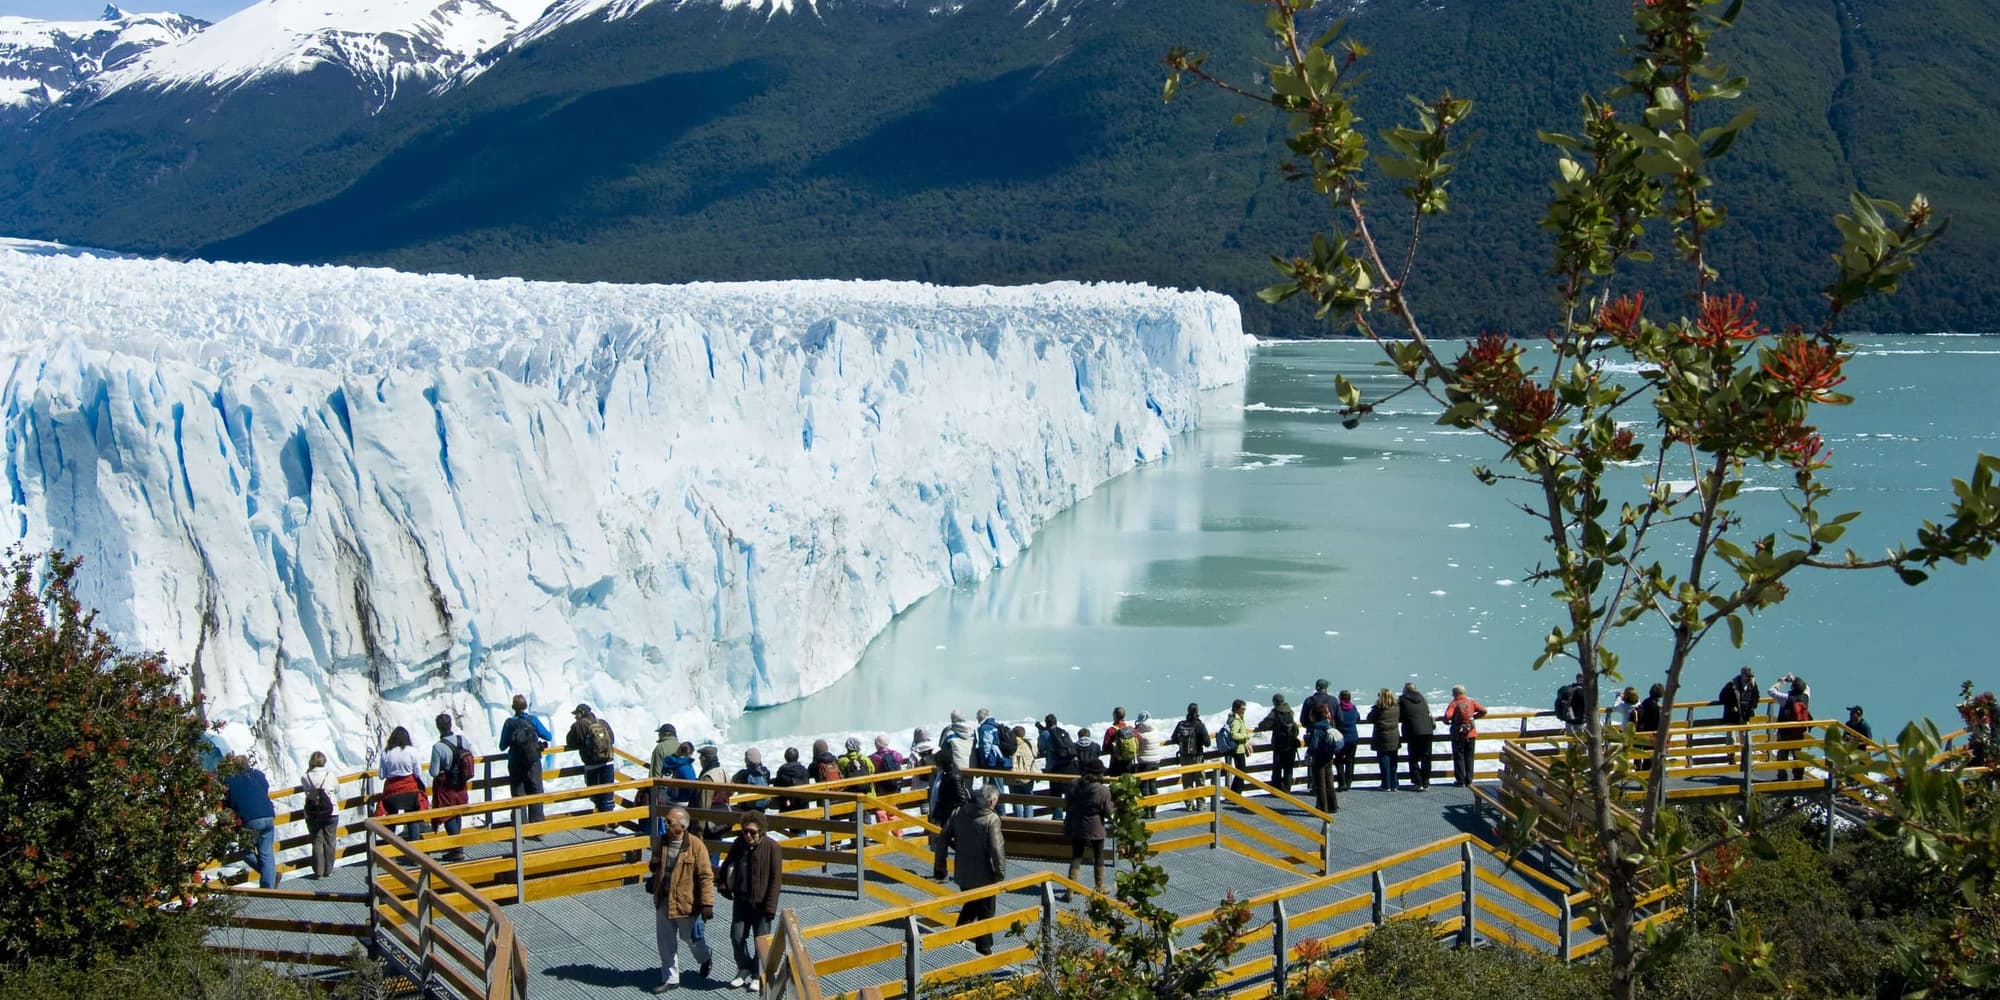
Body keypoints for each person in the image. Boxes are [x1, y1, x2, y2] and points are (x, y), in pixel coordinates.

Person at [648, 806, 714, 991]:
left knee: (691, 940)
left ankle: (705, 957)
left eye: (670, 822)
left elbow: (705, 876)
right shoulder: (663, 842)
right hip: (663, 900)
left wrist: (707, 903)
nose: (666, 824)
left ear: (682, 826)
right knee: (665, 942)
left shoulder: (696, 846)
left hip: (686, 904)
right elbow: (655, 865)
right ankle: (671, 978)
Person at [936, 784, 1007, 955]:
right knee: (986, 911)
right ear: (990, 802)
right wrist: (1000, 872)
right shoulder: (991, 819)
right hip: (984, 872)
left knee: (972, 904)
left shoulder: (958, 813)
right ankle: (983, 948)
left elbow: (943, 838)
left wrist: (940, 865)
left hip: (963, 869)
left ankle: (962, 937)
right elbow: (997, 849)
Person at [717, 811, 783, 991]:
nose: (748, 835)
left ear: (761, 831)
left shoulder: (772, 847)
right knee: (736, 937)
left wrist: (770, 907)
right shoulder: (739, 844)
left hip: (762, 904)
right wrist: (723, 885)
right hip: (741, 900)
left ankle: (756, 974)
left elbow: (776, 880)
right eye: (745, 831)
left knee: (761, 942)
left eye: (752, 832)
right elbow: (726, 865)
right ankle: (744, 967)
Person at [223, 754, 279, 888]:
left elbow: (229, 801)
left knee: (245, 851)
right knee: (266, 853)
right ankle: (268, 886)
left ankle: (269, 877)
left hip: (250, 819)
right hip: (268, 814)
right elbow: (265, 788)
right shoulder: (258, 775)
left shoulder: (231, 780)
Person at [499, 695, 552, 829]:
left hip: (516, 764)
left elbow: (502, 746)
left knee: (518, 795)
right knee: (536, 792)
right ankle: (538, 827)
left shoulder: (509, 723)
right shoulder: (532, 720)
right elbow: (548, 736)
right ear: (526, 706)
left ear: (513, 707)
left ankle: (520, 828)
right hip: (533, 762)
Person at [1063, 758, 1114, 896]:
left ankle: (1070, 889)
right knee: (1098, 855)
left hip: (1076, 825)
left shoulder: (1074, 785)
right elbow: (1109, 812)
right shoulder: (1103, 791)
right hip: (1095, 827)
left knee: (1076, 856)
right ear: (1099, 774)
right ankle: (1099, 886)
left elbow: (1067, 804)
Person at [428, 713, 473, 860]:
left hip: (446, 786)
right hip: (461, 783)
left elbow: (434, 772)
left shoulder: (438, 747)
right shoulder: (463, 740)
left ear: (438, 728)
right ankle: (456, 847)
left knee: (448, 815)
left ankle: (457, 849)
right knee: (457, 812)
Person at [378, 726, 428, 841]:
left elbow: (381, 775)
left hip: (391, 793)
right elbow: (417, 773)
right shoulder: (412, 751)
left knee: (391, 820)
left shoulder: (386, 753)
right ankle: (414, 850)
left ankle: (389, 849)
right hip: (410, 791)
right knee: (412, 820)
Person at [567, 704, 617, 813]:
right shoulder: (602, 722)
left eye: (576, 714)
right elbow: (612, 739)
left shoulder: (579, 725)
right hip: (607, 763)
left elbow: (570, 742)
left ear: (581, 713)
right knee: (607, 794)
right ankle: (609, 820)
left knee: (595, 795)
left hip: (592, 765)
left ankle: (601, 820)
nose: (575, 717)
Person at [299, 751, 339, 879]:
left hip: (312, 813)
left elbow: (306, 791)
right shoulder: (330, 775)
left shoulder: (305, 777)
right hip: (330, 812)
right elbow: (337, 789)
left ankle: (318, 871)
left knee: (317, 841)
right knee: (330, 840)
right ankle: (329, 869)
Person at [1442, 686, 1487, 787]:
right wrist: (1473, 717)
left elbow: (1448, 716)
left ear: (1454, 694)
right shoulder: (1471, 702)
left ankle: (1460, 780)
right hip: (1471, 733)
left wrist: (1446, 721)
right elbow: (1483, 711)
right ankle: (1469, 780)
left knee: (1459, 757)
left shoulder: (1454, 703)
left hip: (1458, 734)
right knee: (1469, 757)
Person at [1256, 694, 1302, 793]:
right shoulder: (1290, 711)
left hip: (1279, 744)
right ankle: (1287, 788)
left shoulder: (1275, 712)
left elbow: (1265, 724)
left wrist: (1260, 727)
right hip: (1291, 744)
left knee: (1277, 766)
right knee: (1288, 768)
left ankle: (1276, 789)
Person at [1170, 703, 1210, 809]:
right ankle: (1200, 805)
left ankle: (1189, 805)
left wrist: (1182, 744)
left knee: (1187, 781)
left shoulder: (1181, 724)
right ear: (1197, 711)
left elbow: (1173, 738)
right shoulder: (1199, 725)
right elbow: (1207, 743)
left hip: (1184, 757)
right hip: (1197, 757)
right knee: (1200, 781)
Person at [1399, 684, 1436, 791]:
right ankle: (1426, 782)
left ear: (1405, 690)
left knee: (1413, 757)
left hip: (1413, 731)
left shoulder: (1403, 699)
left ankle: (1417, 781)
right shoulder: (1423, 698)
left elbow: (1400, 715)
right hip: (1428, 731)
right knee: (1426, 757)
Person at [1304, 702, 1339, 813]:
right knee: (1329, 781)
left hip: (1319, 758)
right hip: (1328, 756)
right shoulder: (1328, 725)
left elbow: (1314, 745)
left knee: (1320, 784)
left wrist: (1309, 748)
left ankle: (1322, 808)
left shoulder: (1317, 728)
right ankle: (1333, 805)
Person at [1301, 680, 1335, 792]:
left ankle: (1314, 786)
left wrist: (1311, 726)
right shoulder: (1333, 700)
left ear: (1316, 688)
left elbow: (1303, 720)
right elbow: (1340, 718)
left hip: (1313, 734)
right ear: (1326, 688)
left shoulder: (1309, 701)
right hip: (1329, 734)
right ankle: (1329, 790)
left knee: (1314, 761)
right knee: (1328, 763)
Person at [1777, 678, 1813, 782]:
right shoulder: (1805, 697)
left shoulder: (1786, 698)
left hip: (1785, 732)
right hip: (1799, 732)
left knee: (1782, 755)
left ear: (1792, 687)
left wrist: (1780, 682)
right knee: (1798, 755)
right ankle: (1798, 777)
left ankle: (1782, 777)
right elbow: (1807, 687)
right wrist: (1794, 680)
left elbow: (1771, 691)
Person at [1366, 689, 1402, 791]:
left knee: (1384, 760)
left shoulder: (1378, 708)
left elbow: (1370, 718)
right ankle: (1394, 784)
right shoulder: (1397, 707)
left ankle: (1386, 784)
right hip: (1394, 736)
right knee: (1393, 761)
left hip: (1381, 737)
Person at [1134, 711, 1167, 815]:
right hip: (1155, 762)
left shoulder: (1139, 733)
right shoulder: (1155, 730)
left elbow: (1136, 742)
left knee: (1144, 786)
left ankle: (1147, 810)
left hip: (1144, 762)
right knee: (1153, 785)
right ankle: (1153, 810)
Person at [1220, 700, 1251, 791]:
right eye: (1242, 709)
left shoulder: (1235, 718)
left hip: (1237, 748)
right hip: (1238, 749)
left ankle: (1235, 793)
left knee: (1240, 772)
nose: (1244, 711)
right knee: (1241, 772)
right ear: (1237, 709)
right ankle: (1235, 793)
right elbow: (1234, 734)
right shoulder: (1236, 721)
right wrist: (1245, 736)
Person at [1333, 691, 1361, 792]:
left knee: (1339, 761)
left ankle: (1342, 783)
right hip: (1353, 738)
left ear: (1340, 698)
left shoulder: (1338, 708)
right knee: (1350, 761)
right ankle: (1349, 783)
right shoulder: (1353, 708)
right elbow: (1358, 718)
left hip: (1340, 739)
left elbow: (1334, 720)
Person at [1007, 725, 1038, 818]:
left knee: (1016, 801)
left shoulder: (1011, 744)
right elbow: (1036, 753)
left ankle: (1018, 823)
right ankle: (1029, 822)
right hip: (1028, 775)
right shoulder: (1030, 743)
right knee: (1028, 800)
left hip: (1014, 776)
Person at [1635, 683, 1666, 773]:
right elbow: (1657, 722)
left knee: (1645, 757)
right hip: (1651, 735)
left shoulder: (1645, 701)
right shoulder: (1654, 707)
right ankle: (1646, 779)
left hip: (1642, 732)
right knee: (1649, 759)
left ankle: (1642, 777)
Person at [1103, 707, 1138, 778]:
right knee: (1128, 785)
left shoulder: (1111, 730)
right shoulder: (1131, 729)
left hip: (1116, 763)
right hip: (1129, 762)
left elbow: (1105, 747)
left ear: (1115, 716)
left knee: (1115, 786)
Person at [772, 747, 810, 811]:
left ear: (785, 758)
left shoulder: (782, 770)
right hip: (803, 805)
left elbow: (776, 786)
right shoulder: (803, 769)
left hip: (787, 806)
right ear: (797, 757)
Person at [1555, 674, 1589, 738]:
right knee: (1582, 743)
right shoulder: (1586, 692)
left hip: (1569, 722)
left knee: (1571, 744)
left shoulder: (1569, 689)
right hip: (1581, 722)